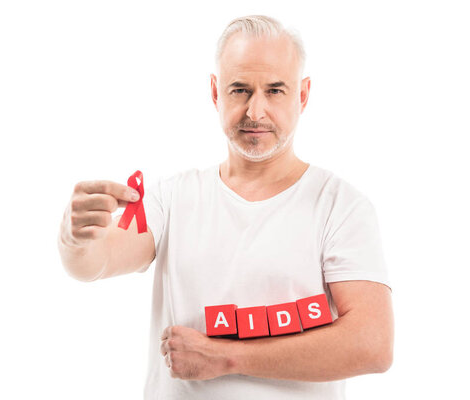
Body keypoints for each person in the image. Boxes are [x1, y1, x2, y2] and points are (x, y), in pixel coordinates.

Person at [58, 15, 394, 400]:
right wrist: (73, 240)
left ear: (302, 95)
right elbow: (93, 264)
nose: (255, 112)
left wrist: (228, 357)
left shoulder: (340, 207)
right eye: (240, 89)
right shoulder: (173, 198)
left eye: (275, 90)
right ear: (216, 92)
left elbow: (373, 344)